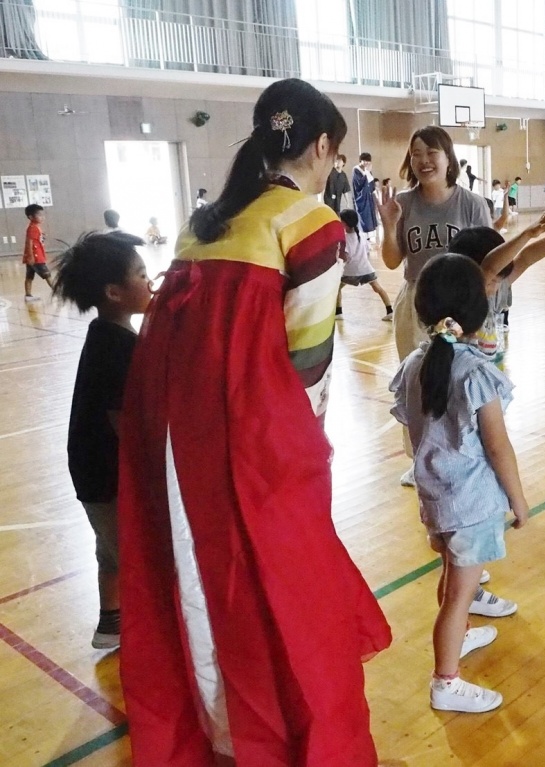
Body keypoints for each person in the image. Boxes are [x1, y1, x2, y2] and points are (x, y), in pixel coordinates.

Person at [117, 78, 391, 766]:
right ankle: (279, 735)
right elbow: (308, 368)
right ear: (323, 145)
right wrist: (303, 457)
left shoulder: (203, 221)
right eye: (334, 156)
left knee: (199, 578)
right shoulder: (309, 225)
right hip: (255, 442)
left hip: (177, 441)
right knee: (284, 589)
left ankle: (221, 733)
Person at [389, 254, 529, 713]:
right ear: (477, 311)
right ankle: (445, 681)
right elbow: (498, 447)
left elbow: (412, 428)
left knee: (451, 576)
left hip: (437, 500)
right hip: (471, 504)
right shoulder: (474, 372)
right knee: (457, 595)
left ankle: (462, 637)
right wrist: (519, 499)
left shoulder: (415, 363)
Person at [378, 125, 492, 487]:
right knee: (417, 383)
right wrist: (389, 224)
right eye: (416, 153)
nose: (424, 160)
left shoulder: (471, 204)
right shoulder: (405, 203)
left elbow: (489, 258)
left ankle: (469, 453)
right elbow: (393, 261)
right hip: (416, 301)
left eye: (431, 153)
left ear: (448, 158)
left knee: (462, 382)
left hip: (460, 304)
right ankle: (419, 459)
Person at [53, 231, 150, 651]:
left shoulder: (107, 332)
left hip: (93, 469)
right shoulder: (117, 348)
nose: (150, 282)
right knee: (135, 556)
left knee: (111, 550)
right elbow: (124, 424)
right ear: (114, 292)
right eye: (142, 275)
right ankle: (152, 641)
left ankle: (110, 625)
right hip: (107, 473)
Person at [447, 212, 545, 370]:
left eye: (498, 281)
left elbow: (527, 258)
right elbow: (489, 269)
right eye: (492, 281)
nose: (495, 287)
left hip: (488, 376)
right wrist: (527, 234)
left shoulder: (495, 291)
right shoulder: (458, 300)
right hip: (461, 381)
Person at [336, 209, 393, 322]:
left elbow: (346, 257)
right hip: (367, 269)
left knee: (337, 288)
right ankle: (389, 310)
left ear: (344, 223)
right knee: (378, 289)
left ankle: (338, 312)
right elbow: (367, 249)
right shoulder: (362, 236)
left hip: (350, 272)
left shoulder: (345, 239)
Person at [23, 204, 54, 302]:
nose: (42, 217)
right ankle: (56, 291)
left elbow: (37, 240)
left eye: (42, 215)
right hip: (36, 257)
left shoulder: (36, 227)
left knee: (29, 276)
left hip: (35, 256)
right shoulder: (32, 228)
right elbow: (29, 242)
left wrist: (42, 237)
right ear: (31, 217)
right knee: (47, 275)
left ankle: (28, 295)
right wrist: (31, 256)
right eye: (39, 215)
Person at [352, 151, 377, 236]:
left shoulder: (368, 170)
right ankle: (364, 237)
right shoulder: (356, 170)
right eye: (364, 161)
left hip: (368, 197)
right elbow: (359, 184)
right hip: (361, 198)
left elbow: (371, 184)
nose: (366, 163)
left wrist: (368, 172)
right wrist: (367, 172)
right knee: (363, 218)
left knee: (371, 218)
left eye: (368, 161)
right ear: (360, 161)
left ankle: (370, 237)